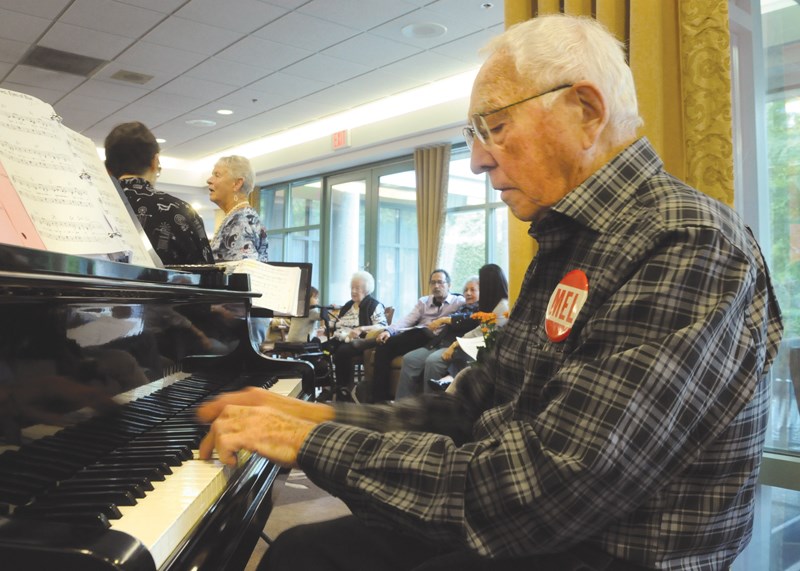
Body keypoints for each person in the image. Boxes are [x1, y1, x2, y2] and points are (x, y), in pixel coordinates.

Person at [197, 14, 783, 571]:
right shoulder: (565, 244)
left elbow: (551, 487)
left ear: (586, 110)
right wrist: (319, 415)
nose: (478, 159)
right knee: (304, 554)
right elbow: (465, 409)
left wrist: (310, 441)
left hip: (609, 553)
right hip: (552, 539)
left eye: (495, 128)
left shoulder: (687, 242)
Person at [104, 121, 213, 265]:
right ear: (155, 162)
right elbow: (207, 274)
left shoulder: (96, 205)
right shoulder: (180, 211)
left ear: (108, 168)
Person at [396, 264, 509, 399]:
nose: (468, 293)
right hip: (441, 342)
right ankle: (402, 402)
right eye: (466, 290)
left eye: (474, 289)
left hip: (466, 347)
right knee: (410, 358)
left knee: (433, 361)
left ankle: (430, 406)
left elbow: (478, 329)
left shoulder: (497, 307)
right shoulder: (462, 304)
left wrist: (453, 339)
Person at [366, 268, 465, 402]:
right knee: (384, 347)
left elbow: (469, 315)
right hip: (420, 335)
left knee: (398, 347)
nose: (436, 286)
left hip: (436, 339)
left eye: (440, 282)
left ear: (449, 285)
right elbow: (407, 319)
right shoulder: (424, 301)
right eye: (433, 283)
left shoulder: (459, 302)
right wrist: (388, 331)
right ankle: (380, 399)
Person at [321, 272, 387, 396]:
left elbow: (382, 325)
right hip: (340, 338)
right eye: (352, 288)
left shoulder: (374, 305)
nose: (353, 291)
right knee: (321, 349)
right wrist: (325, 327)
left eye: (357, 288)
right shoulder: (348, 305)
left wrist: (361, 329)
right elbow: (336, 322)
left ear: (366, 289)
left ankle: (343, 388)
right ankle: (328, 386)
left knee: (341, 352)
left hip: (360, 342)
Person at [207, 155, 269, 263]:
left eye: (217, 175)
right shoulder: (242, 216)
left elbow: (241, 274)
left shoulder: (240, 221)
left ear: (237, 183)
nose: (209, 180)